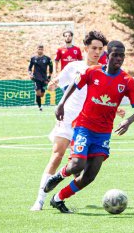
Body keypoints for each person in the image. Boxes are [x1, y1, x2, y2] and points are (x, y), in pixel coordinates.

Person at [42, 40, 134, 214]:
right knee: (77, 165)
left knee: (89, 176)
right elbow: (74, 85)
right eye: (115, 55)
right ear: (107, 55)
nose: (119, 58)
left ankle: (58, 198)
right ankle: (58, 177)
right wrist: (61, 104)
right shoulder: (92, 72)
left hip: (103, 134)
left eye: (122, 55)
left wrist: (128, 121)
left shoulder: (127, 81)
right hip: (84, 126)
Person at [30, 31, 126, 211]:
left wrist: (115, 108)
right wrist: (53, 84)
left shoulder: (104, 70)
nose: (97, 52)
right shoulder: (74, 67)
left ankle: (59, 198)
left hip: (89, 124)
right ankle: (40, 199)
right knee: (57, 155)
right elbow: (58, 82)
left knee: (80, 169)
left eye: (100, 49)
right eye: (94, 48)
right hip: (68, 117)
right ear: (86, 48)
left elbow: (105, 97)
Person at [28, 44, 53, 111]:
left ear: (43, 50)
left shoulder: (47, 59)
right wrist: (30, 74)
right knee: (38, 93)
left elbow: (51, 68)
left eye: (41, 49)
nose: (40, 50)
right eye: (39, 49)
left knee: (41, 94)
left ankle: (40, 93)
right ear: (37, 49)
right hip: (36, 78)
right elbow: (29, 68)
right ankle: (40, 107)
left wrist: (49, 76)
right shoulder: (33, 58)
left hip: (44, 78)